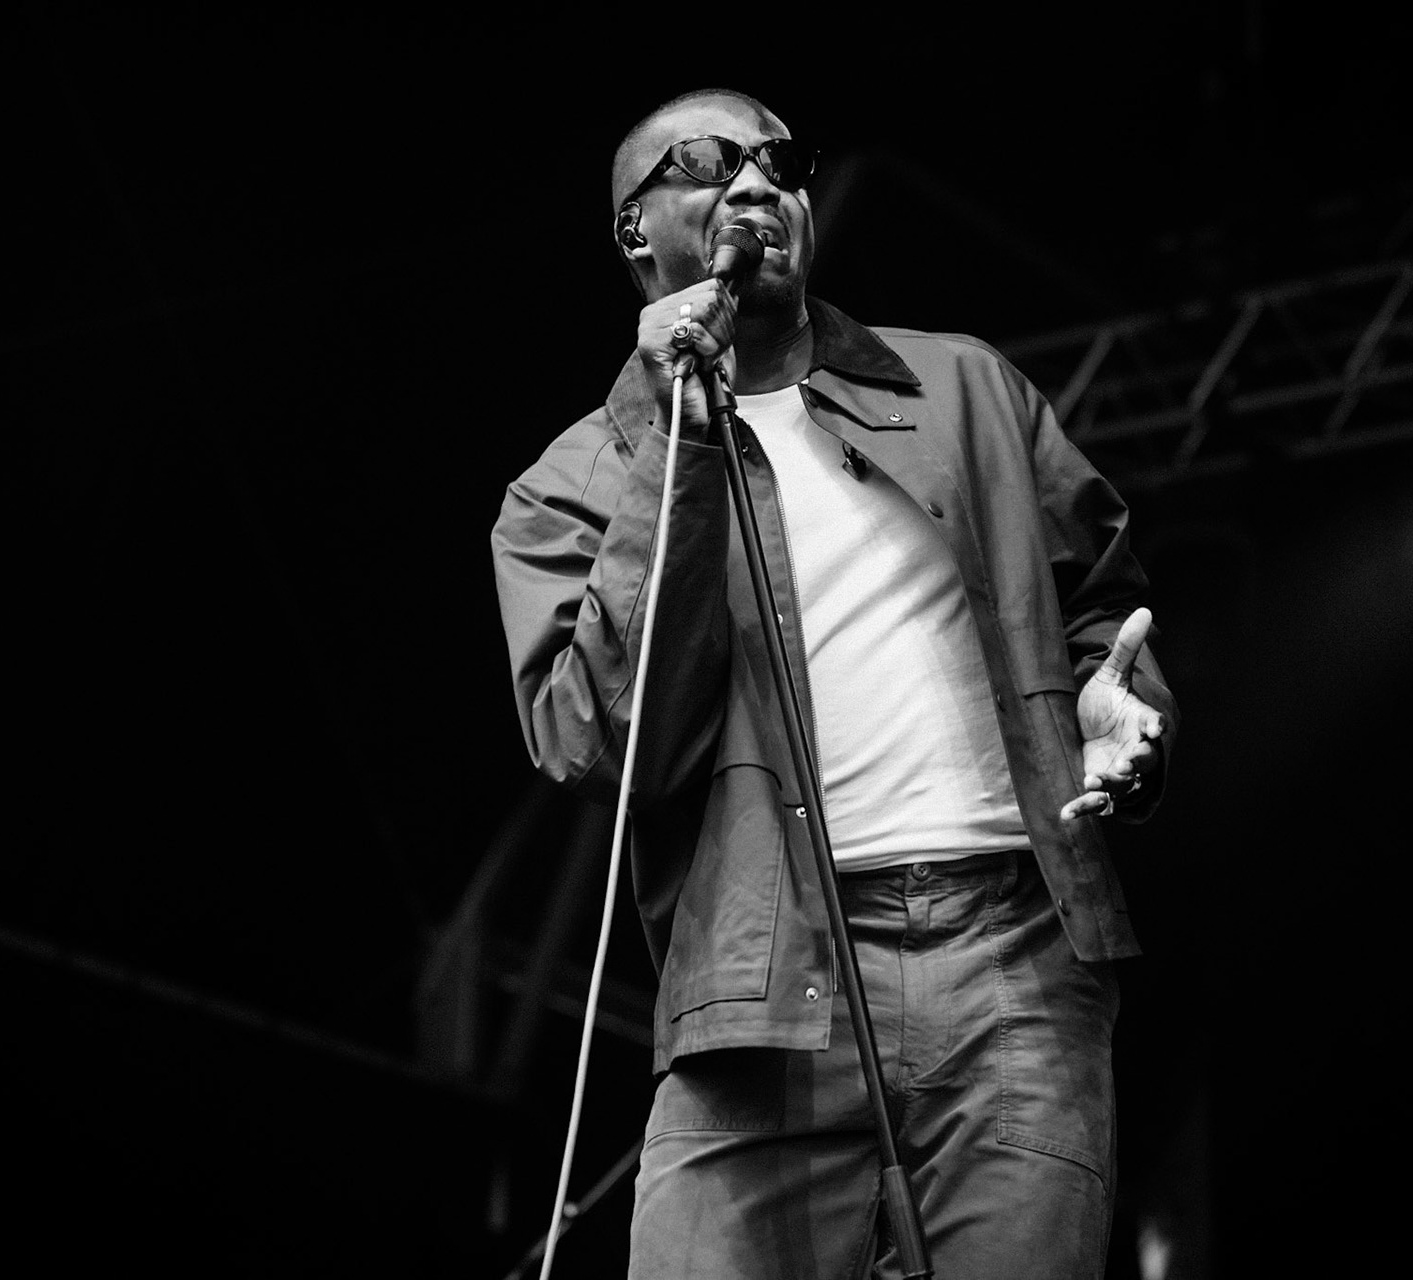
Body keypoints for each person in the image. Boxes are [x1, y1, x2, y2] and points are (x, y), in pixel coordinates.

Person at [490, 86, 1177, 1280]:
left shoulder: (966, 389)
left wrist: (1121, 711)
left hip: (1010, 956)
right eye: (708, 163)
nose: (759, 185)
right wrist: (680, 434)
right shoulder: (575, 483)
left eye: (782, 162)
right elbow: (597, 739)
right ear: (633, 234)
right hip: (756, 993)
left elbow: (1099, 609)